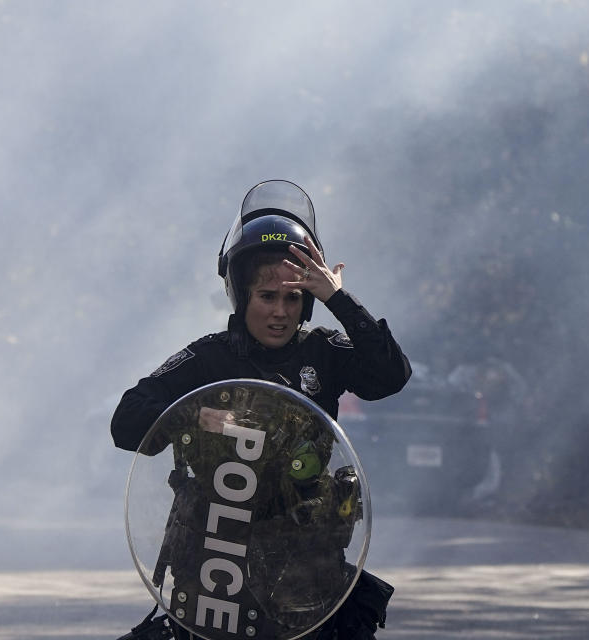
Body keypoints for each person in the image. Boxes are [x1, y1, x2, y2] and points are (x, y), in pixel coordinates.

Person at [111, 180, 412, 639]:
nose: (280, 312)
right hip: (218, 575)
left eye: (293, 298)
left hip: (306, 578)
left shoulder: (325, 352)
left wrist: (338, 298)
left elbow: (392, 376)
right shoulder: (209, 358)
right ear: (241, 295)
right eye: (267, 296)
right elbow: (126, 420)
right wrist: (195, 414)